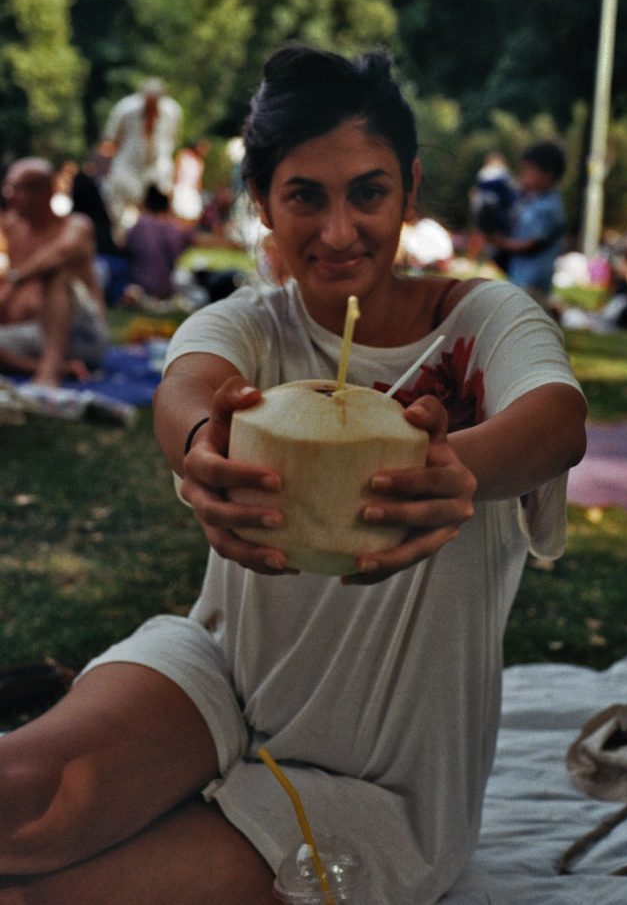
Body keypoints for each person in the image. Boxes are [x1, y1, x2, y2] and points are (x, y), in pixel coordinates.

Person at [0, 46, 586, 904]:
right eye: (306, 197)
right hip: (216, 678)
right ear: (262, 204)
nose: (339, 231)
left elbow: (556, 421)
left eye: (368, 193)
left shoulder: (484, 319)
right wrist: (202, 449)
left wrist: (451, 470)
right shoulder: (246, 325)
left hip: (379, 779)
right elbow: (186, 392)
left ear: (409, 189)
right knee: (20, 804)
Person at [0, 158, 109, 386]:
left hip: (82, 335)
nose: (9, 194)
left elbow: (62, 253)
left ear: (46, 191)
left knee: (57, 273)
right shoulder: (12, 227)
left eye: (19, 188)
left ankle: (48, 375)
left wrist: (15, 280)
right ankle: (52, 367)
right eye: (8, 187)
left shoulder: (77, 225)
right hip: (34, 333)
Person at [100, 78, 182, 240]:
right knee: (117, 208)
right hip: (127, 166)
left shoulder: (172, 111)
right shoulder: (125, 109)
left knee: (157, 210)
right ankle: (118, 240)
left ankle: (154, 241)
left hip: (157, 168)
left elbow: (171, 140)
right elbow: (111, 141)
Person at [491, 140, 567, 310]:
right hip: (519, 279)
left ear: (547, 175)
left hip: (533, 284)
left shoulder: (549, 207)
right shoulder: (531, 200)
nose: (522, 175)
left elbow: (533, 244)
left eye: (528, 170)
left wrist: (501, 243)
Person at [123, 184, 190, 303]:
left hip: (139, 284)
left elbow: (125, 247)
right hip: (164, 287)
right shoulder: (169, 227)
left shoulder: (138, 225)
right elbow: (177, 253)